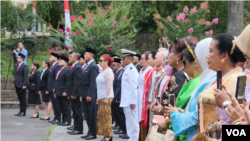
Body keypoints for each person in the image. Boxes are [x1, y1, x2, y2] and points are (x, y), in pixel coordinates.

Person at [158, 38, 215, 141]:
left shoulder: (207, 82)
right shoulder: (206, 80)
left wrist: (175, 115)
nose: (197, 61)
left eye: (197, 57)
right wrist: (181, 113)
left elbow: (199, 115)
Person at [193, 33, 246, 141]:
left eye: (211, 51)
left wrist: (206, 137)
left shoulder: (235, 80)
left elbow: (235, 121)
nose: (207, 56)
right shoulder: (220, 78)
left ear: (224, 56)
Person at [120, 49, 139, 141]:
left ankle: (134, 139)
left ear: (128, 58)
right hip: (126, 101)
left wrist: (133, 102)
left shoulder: (132, 70)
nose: (121, 60)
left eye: (123, 58)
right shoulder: (127, 69)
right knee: (129, 124)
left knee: (133, 125)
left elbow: (133, 87)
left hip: (130, 102)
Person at [80, 48, 99, 140]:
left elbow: (93, 82)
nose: (84, 55)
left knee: (91, 115)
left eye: (86, 54)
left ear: (91, 55)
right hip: (83, 94)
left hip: (89, 95)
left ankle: (93, 133)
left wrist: (90, 95)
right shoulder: (87, 66)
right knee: (87, 115)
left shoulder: (93, 66)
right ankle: (89, 131)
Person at [63, 51, 83, 135]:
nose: (69, 58)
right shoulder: (73, 66)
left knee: (77, 111)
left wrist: (74, 94)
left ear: (75, 57)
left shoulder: (77, 67)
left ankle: (79, 129)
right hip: (72, 92)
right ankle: (76, 126)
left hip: (76, 93)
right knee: (74, 111)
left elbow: (77, 82)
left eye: (71, 56)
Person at [96, 54, 114, 141]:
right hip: (101, 97)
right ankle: (105, 135)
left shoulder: (108, 71)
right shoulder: (102, 71)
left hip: (106, 97)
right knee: (102, 117)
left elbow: (109, 85)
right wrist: (98, 97)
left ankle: (108, 136)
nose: (99, 62)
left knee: (107, 117)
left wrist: (106, 97)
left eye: (101, 60)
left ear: (106, 62)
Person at [137, 51, 153, 141]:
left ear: (148, 60)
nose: (141, 60)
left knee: (144, 124)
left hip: (144, 99)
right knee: (140, 122)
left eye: (142, 59)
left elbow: (150, 88)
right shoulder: (143, 70)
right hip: (140, 98)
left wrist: (148, 101)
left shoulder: (150, 70)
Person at [111, 55, 127, 138]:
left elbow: (120, 86)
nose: (112, 66)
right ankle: (121, 128)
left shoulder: (122, 72)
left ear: (118, 65)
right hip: (114, 96)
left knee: (120, 114)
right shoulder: (116, 72)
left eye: (113, 65)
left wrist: (119, 98)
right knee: (116, 114)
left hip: (118, 97)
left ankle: (124, 130)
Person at [54, 56, 71, 126]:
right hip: (58, 91)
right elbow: (57, 81)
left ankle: (68, 120)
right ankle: (63, 120)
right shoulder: (59, 70)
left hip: (63, 91)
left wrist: (66, 91)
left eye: (61, 61)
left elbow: (68, 82)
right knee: (61, 106)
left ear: (66, 63)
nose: (59, 62)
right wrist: (55, 90)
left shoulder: (67, 70)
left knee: (66, 106)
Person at [47, 52, 61, 124]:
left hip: (53, 88)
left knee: (56, 104)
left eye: (51, 57)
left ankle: (58, 118)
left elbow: (56, 78)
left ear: (56, 58)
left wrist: (54, 88)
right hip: (50, 88)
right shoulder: (52, 66)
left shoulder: (57, 66)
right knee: (54, 104)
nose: (50, 58)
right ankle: (56, 117)